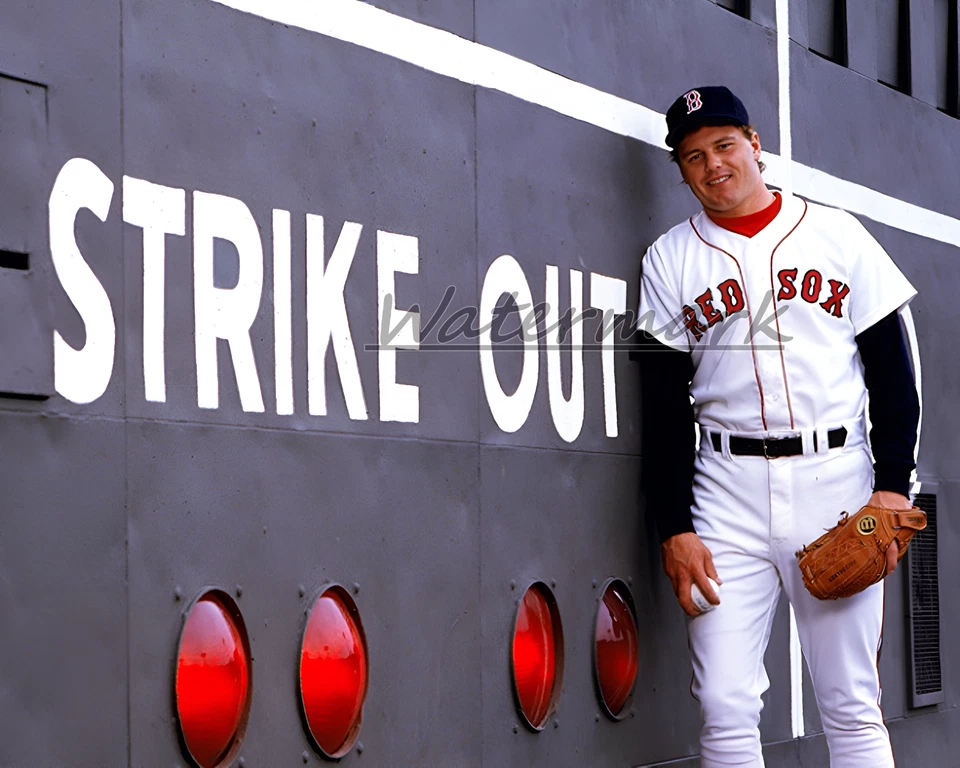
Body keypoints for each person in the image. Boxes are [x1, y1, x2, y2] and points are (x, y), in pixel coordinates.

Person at [637, 86, 920, 767]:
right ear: (681, 170)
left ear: (755, 144)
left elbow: (894, 371)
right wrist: (676, 527)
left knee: (851, 701)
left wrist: (891, 488)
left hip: (837, 483)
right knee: (725, 705)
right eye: (693, 156)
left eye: (725, 145)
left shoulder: (836, 233)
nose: (713, 165)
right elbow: (663, 402)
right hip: (724, 491)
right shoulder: (669, 259)